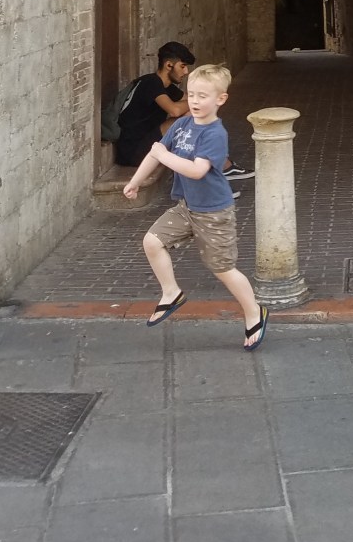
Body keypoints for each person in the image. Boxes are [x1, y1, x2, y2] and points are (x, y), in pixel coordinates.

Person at [123, 63, 269, 350]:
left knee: (222, 269)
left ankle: (255, 312)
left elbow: (197, 170)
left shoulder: (215, 133)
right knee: (152, 242)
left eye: (203, 96)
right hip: (187, 207)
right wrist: (135, 181)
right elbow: (155, 152)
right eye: (191, 95)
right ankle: (171, 293)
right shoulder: (181, 125)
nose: (195, 101)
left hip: (214, 212)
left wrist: (164, 156)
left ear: (220, 99)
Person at [115, 41, 253, 182]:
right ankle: (223, 167)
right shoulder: (151, 82)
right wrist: (200, 101)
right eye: (182, 66)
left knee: (195, 114)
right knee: (188, 117)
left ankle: (214, 164)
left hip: (150, 143)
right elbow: (174, 110)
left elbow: (188, 101)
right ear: (169, 65)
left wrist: (203, 99)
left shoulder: (167, 87)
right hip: (134, 150)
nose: (186, 72)